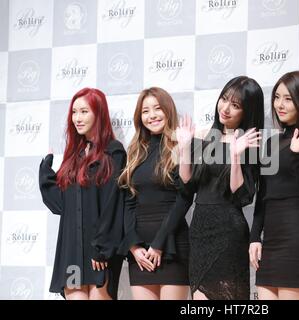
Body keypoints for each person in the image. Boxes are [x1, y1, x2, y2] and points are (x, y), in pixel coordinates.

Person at [176, 76, 264, 300]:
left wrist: (236, 155)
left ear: (248, 111)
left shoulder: (250, 142)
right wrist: (186, 147)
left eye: (235, 105)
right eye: (224, 99)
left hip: (229, 232)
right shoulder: (204, 136)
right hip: (200, 230)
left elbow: (242, 196)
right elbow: (187, 184)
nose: (225, 108)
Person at [39, 87, 126, 300]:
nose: (77, 118)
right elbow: (61, 205)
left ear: (99, 113)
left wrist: (102, 248)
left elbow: (113, 204)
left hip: (99, 251)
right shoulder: (74, 157)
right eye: (74, 112)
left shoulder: (113, 152)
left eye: (84, 111)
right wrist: (45, 174)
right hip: (71, 253)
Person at [249, 71, 299, 300]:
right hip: (270, 240)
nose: (279, 105)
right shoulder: (272, 143)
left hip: (296, 239)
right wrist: (255, 237)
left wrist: (295, 155)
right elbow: (263, 195)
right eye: (277, 97)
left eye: (288, 98)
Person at [117, 87, 192, 300]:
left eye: (157, 109)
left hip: (172, 244)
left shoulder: (180, 147)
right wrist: (133, 246)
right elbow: (128, 202)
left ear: (168, 110)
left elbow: (184, 198)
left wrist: (159, 244)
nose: (152, 116)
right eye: (145, 111)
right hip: (140, 252)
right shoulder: (134, 151)